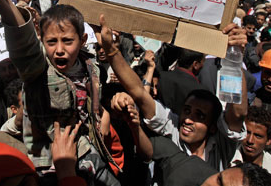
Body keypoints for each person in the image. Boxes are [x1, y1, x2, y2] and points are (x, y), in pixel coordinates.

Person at [0, 0, 121, 186]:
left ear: (82, 41)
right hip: (49, 165)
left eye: (67, 41)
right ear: (42, 40)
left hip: (88, 153)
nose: (59, 49)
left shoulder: (90, 66)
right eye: (51, 41)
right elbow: (24, 44)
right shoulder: (38, 69)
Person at [100, 13, 248, 171]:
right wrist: (111, 50)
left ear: (212, 127)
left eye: (200, 116)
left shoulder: (221, 148)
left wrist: (234, 56)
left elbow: (238, 114)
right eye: (187, 111)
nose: (189, 120)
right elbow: (139, 93)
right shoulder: (173, 130)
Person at [230, 106, 271, 186]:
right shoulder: (227, 159)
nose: (250, 140)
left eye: (257, 136)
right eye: (247, 133)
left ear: (269, 140)